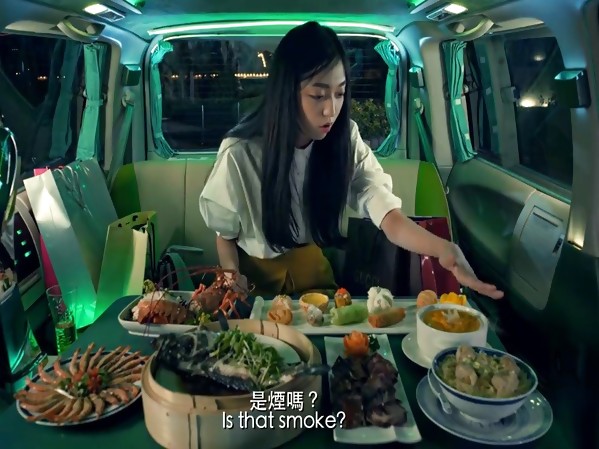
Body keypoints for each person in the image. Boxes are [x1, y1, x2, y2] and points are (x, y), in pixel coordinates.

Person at [199, 21, 504, 300]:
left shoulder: (344, 140)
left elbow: (388, 217)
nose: (331, 111)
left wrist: (444, 249)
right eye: (318, 96)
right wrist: (232, 278)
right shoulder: (240, 153)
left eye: (340, 94)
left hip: (312, 272)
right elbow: (225, 236)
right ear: (287, 93)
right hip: (254, 280)